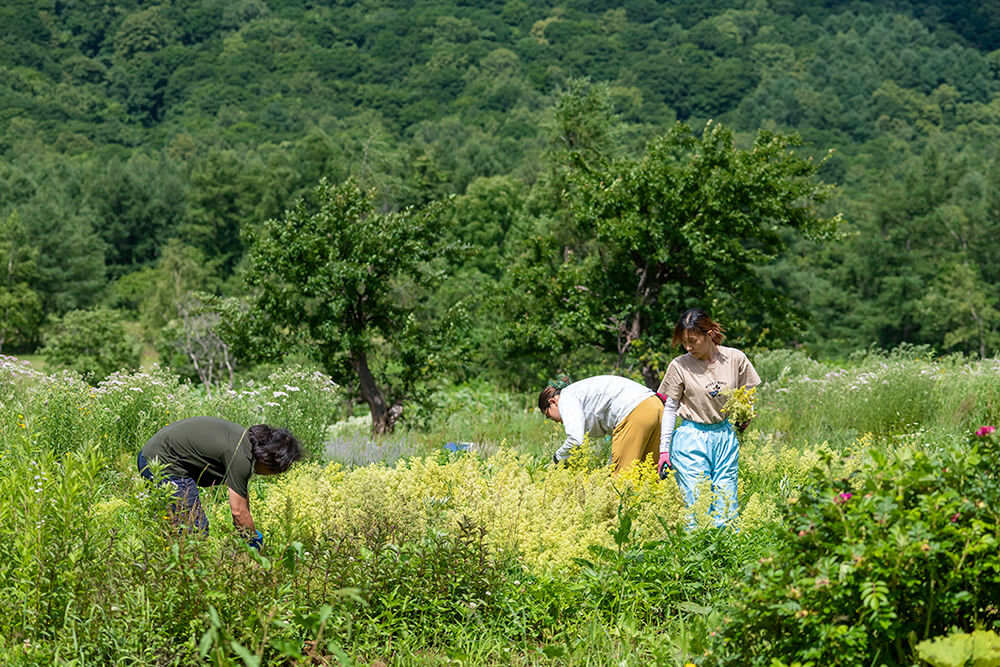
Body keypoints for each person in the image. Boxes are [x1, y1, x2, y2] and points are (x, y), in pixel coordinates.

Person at [657, 308, 760, 527]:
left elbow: (748, 390)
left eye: (693, 341)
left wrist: (746, 412)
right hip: (691, 437)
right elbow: (669, 407)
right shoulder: (679, 366)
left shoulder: (735, 358)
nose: (688, 347)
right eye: (684, 342)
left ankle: (725, 554)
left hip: (724, 435)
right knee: (697, 500)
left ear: (710, 334)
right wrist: (664, 450)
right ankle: (695, 552)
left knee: (726, 497)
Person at [137, 416, 303, 550]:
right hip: (160, 462)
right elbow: (238, 513)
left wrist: (247, 531)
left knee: (179, 526)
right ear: (269, 459)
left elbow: (242, 501)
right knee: (195, 530)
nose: (273, 475)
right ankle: (186, 581)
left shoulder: (244, 443)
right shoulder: (241, 456)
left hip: (158, 456)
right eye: (277, 470)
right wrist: (255, 544)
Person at [539, 375, 663, 473]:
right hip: (656, 406)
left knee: (621, 482)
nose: (555, 421)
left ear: (553, 401)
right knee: (649, 474)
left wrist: (557, 459)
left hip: (635, 411)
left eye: (549, 416)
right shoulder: (578, 391)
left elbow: (575, 440)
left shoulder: (565, 398)